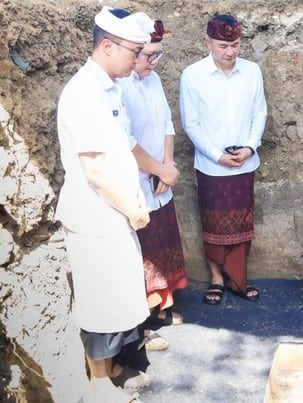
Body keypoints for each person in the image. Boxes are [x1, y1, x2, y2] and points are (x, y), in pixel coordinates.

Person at [55, 6, 155, 402]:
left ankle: (113, 368)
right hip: (96, 216)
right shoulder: (84, 92)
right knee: (101, 302)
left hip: (115, 214)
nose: (138, 59)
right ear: (108, 46)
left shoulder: (109, 87)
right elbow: (94, 170)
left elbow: (124, 147)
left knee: (119, 297)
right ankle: (98, 384)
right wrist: (132, 209)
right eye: (134, 51)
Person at [179, 14, 267, 305]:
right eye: (222, 46)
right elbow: (191, 124)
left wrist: (251, 148)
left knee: (242, 223)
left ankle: (238, 277)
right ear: (208, 43)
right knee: (214, 223)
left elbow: (260, 113)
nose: (230, 52)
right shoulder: (192, 75)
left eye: (235, 45)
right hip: (211, 165)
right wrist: (216, 155)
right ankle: (217, 277)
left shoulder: (252, 71)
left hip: (244, 162)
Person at [117, 18, 187, 351]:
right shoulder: (119, 85)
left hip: (161, 175)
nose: (152, 63)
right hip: (137, 179)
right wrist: (157, 169)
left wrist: (168, 166)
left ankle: (165, 304)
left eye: (158, 56)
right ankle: (143, 320)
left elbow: (166, 123)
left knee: (164, 240)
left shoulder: (154, 79)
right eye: (147, 56)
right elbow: (128, 140)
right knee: (142, 249)